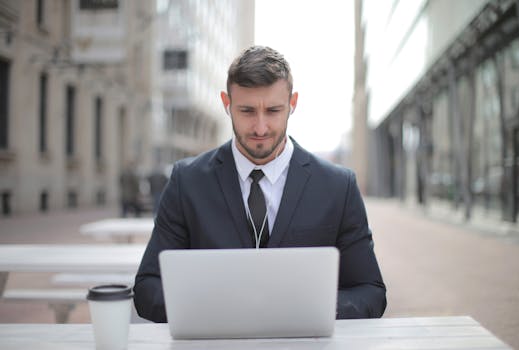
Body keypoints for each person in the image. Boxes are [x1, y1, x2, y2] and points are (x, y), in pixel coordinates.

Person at [134, 46, 386, 322]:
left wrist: (308, 309)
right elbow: (147, 288)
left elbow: (371, 292)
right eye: (247, 111)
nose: (260, 128)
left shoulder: (339, 187)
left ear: (293, 103)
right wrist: (218, 309)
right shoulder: (187, 182)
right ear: (226, 103)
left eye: (274, 110)